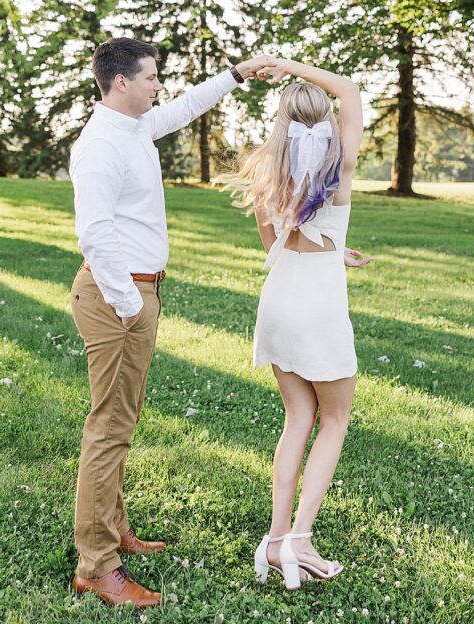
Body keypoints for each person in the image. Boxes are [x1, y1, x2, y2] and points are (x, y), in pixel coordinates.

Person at [69, 36, 276, 608]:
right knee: (108, 429)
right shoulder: (100, 145)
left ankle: (114, 532)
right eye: (152, 77)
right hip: (118, 298)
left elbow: (185, 107)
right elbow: (95, 233)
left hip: (138, 292)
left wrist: (236, 74)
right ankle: (96, 565)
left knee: (121, 420)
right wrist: (131, 305)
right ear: (120, 83)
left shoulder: (133, 127)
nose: (160, 85)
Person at [220, 58, 368, 590]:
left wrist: (332, 251)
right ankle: (300, 542)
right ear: (327, 118)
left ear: (282, 122)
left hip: (279, 301)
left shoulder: (268, 172)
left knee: (297, 418)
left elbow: (277, 244)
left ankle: (276, 537)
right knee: (334, 421)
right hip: (319, 306)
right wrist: (286, 64)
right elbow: (347, 85)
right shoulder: (342, 161)